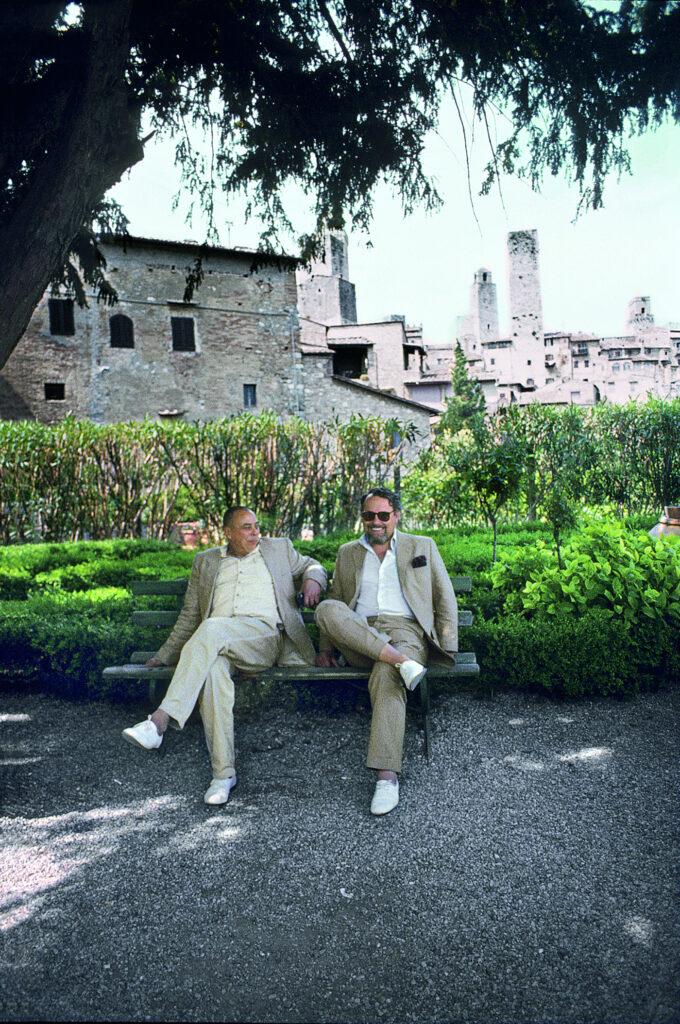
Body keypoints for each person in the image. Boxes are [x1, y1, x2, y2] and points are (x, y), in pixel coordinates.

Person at [122, 506, 326, 805]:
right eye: (246, 527)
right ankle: (223, 774)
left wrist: (313, 580)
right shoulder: (205, 561)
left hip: (263, 638)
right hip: (217, 644)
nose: (255, 532)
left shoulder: (278, 548)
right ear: (228, 533)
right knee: (214, 671)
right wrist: (165, 654)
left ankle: (160, 720)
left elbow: (314, 565)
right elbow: (191, 614)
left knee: (213, 628)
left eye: (256, 525)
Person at [315, 487, 457, 816]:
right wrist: (325, 648)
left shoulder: (422, 546)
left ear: (395, 516)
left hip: (406, 630)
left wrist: (448, 647)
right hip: (359, 633)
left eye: (382, 515)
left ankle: (386, 777)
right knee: (326, 609)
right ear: (362, 518)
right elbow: (336, 600)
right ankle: (402, 663)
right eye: (369, 515)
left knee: (386, 671)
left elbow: (444, 597)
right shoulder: (347, 552)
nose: (375, 522)